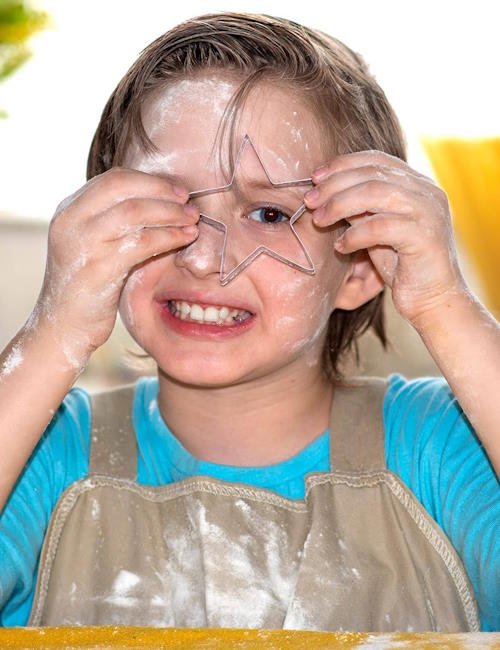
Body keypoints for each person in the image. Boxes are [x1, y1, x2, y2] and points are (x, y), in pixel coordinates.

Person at [0, 11, 498, 632]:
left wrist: (445, 307)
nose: (203, 258)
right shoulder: (44, 451)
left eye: (268, 214)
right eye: (163, 203)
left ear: (363, 266)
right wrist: (53, 333)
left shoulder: (442, 445)